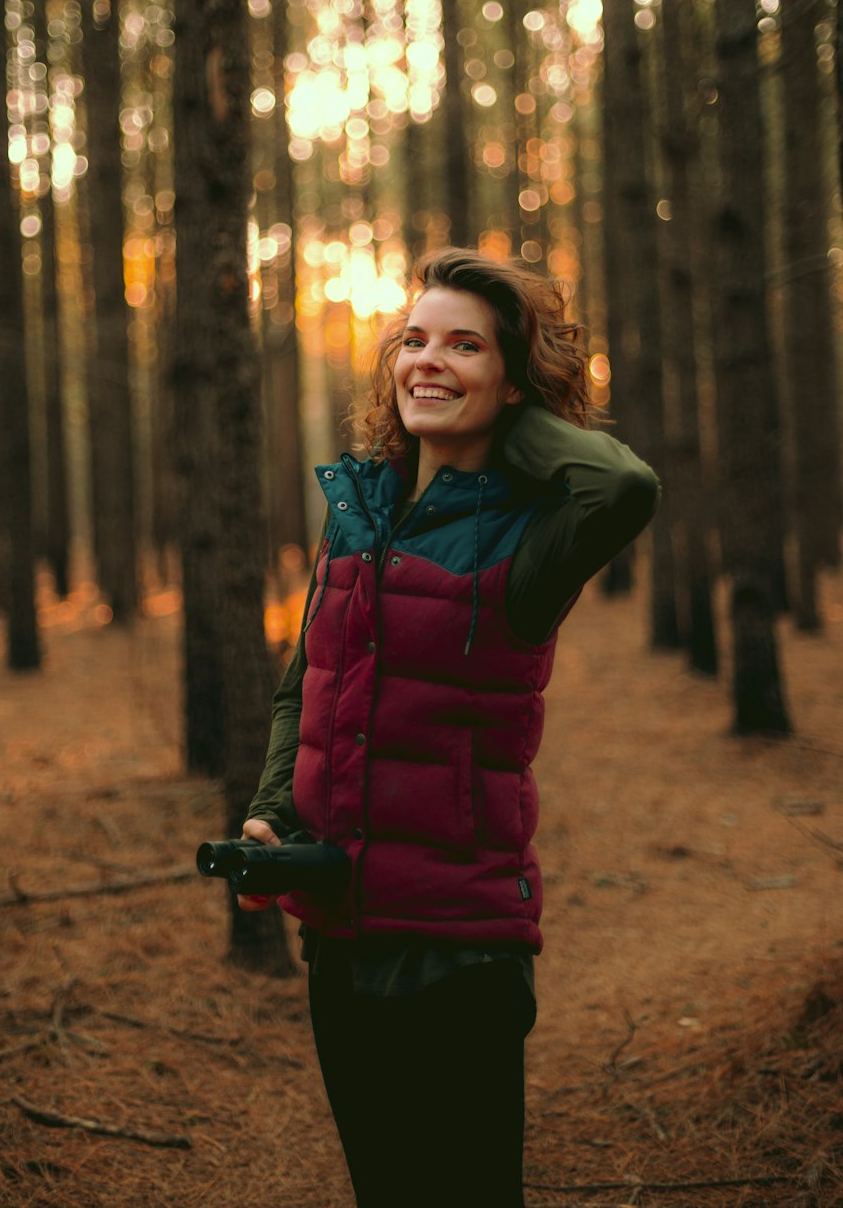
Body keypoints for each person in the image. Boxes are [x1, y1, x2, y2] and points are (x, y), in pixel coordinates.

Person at [240, 247, 660, 1208]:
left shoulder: (535, 533)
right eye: (414, 342)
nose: (426, 361)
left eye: (465, 346)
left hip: (461, 945)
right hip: (339, 931)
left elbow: (625, 486)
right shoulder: (359, 512)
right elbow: (302, 685)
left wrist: (501, 427)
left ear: (515, 380)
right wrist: (273, 813)